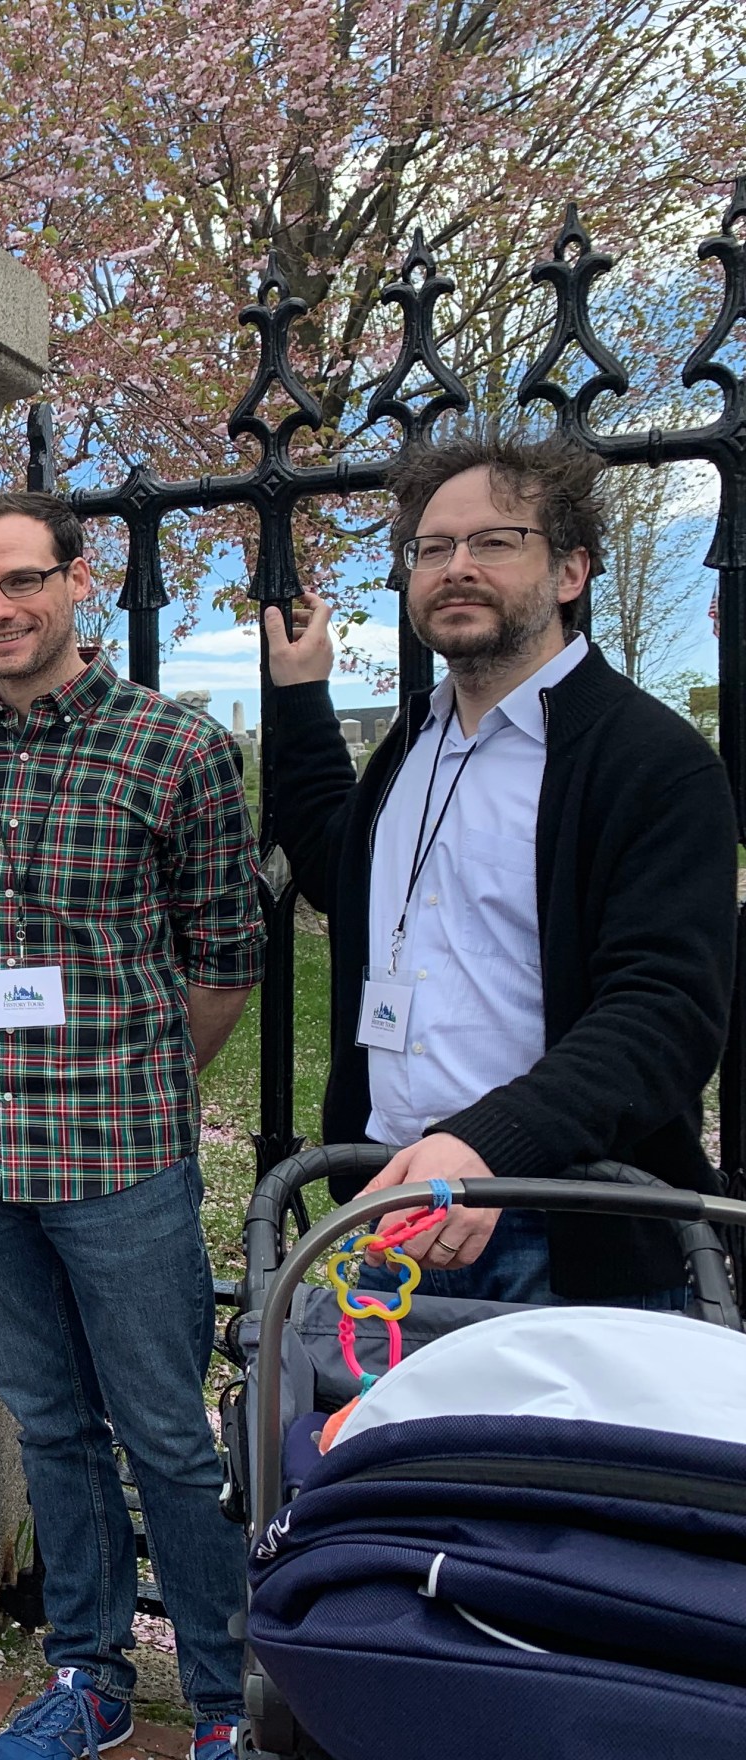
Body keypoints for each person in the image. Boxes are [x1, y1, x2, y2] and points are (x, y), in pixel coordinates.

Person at [0, 491, 264, 1760]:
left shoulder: (177, 749)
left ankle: (227, 1703)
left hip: (120, 1163)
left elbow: (226, 959)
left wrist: (135, 1077)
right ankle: (90, 1678)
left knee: (167, 1435)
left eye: (20, 582)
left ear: (77, 583)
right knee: (51, 1429)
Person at [261, 433, 736, 1304]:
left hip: (555, 1219)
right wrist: (299, 700)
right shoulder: (414, 744)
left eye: (495, 541)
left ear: (570, 572)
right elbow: (339, 872)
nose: (456, 567)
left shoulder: (649, 762)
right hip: (394, 1203)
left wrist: (487, 1143)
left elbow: (665, 1014)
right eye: (432, 549)